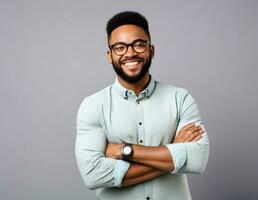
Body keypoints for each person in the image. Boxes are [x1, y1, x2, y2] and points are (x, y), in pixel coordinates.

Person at [75, 11, 209, 200]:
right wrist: (173, 152)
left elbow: (197, 159)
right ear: (110, 55)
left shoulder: (180, 98)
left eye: (138, 45)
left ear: (151, 50)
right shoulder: (93, 106)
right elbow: (93, 175)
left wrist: (124, 151)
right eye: (120, 47)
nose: (130, 53)